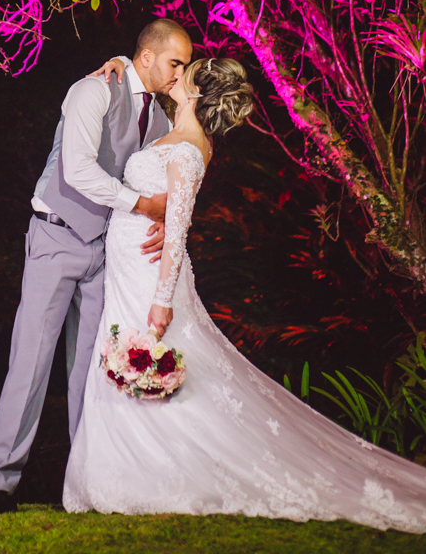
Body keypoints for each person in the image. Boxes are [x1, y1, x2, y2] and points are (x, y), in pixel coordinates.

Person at [63, 57, 426, 533]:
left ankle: (155, 473)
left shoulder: (191, 149)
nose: (176, 76)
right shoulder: (172, 135)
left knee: (157, 361)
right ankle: (127, 467)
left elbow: (177, 233)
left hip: (152, 277)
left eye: (184, 73)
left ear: (195, 92)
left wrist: (162, 303)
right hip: (128, 268)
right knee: (133, 363)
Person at [0, 18, 193, 514]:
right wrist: (143, 206)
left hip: (107, 254)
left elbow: (168, 176)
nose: (180, 72)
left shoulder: (158, 120)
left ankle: (85, 484)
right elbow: (79, 170)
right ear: (148, 56)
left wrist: (162, 221)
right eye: (175, 62)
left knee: (91, 372)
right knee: (31, 361)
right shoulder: (92, 90)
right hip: (56, 236)